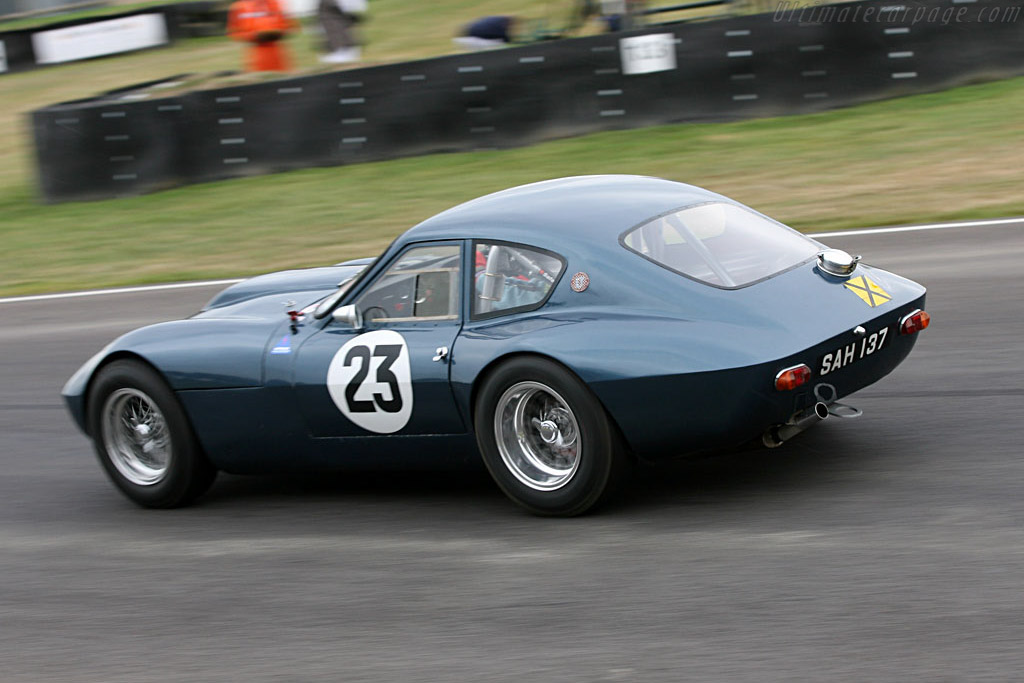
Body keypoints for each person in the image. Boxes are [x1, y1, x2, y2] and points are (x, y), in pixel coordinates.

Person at [226, 0, 296, 72]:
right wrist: (253, 36)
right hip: (255, 58)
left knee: (282, 80)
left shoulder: (277, 4)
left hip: (278, 57)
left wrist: (280, 33)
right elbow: (233, 32)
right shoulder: (239, 7)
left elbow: (290, 27)